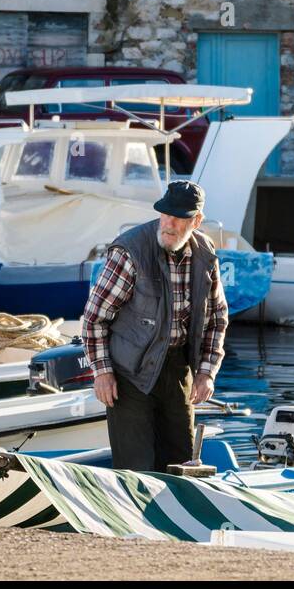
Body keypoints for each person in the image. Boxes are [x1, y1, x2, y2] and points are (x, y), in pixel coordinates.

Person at [81, 179, 228, 471]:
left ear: (196, 221)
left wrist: (206, 373)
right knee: (136, 469)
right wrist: (102, 373)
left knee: (181, 462)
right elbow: (95, 318)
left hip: (177, 371)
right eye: (165, 214)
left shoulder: (205, 254)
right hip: (129, 374)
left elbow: (216, 318)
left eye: (179, 218)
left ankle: (171, 517)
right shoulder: (130, 251)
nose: (169, 224)